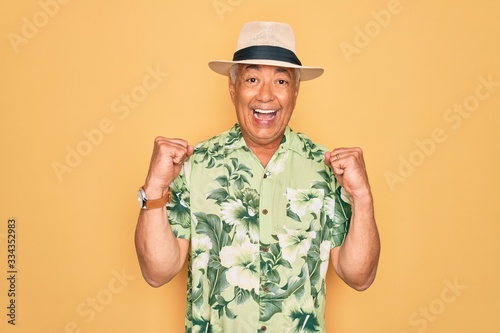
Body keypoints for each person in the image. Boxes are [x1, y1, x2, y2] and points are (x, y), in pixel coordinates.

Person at [135, 21, 380, 332]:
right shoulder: (194, 165)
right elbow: (157, 272)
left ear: (296, 90)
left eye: (280, 81)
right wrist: (155, 186)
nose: (266, 96)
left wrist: (363, 197)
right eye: (252, 79)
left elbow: (359, 277)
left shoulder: (327, 168)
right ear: (233, 87)